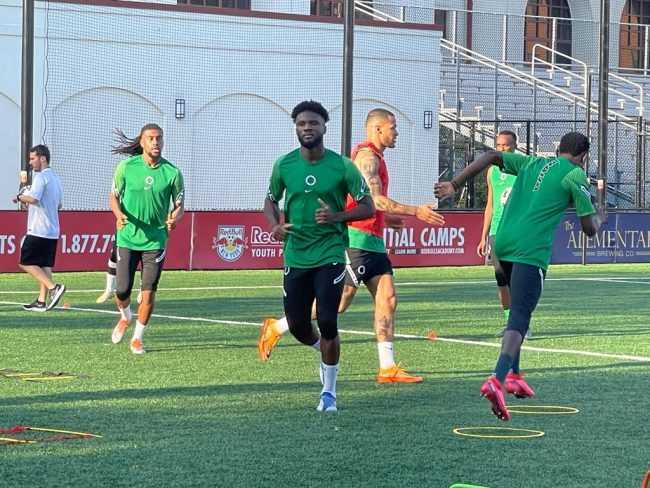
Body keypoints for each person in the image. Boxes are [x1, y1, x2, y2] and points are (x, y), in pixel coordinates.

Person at [258, 108, 445, 383]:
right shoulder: (366, 157)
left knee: (388, 299)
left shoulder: (375, 157)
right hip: (356, 240)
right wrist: (415, 210)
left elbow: (372, 204)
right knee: (339, 302)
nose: (396, 133)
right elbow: (374, 199)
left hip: (373, 241)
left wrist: (386, 218)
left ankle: (387, 367)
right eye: (393, 127)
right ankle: (278, 327)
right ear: (378, 128)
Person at [434, 132, 606, 421]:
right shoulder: (575, 174)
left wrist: (454, 184)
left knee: (515, 308)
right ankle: (498, 379)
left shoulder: (532, 162)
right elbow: (588, 228)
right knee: (520, 319)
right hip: (529, 251)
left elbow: (491, 156)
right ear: (583, 156)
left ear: (559, 149)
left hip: (502, 243)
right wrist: (600, 216)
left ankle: (514, 375)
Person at [264, 100, 375, 412]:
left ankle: (329, 393)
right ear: (296, 128)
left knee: (327, 320)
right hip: (296, 255)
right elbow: (270, 200)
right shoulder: (284, 165)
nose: (307, 128)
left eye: (313, 123)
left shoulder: (343, 166)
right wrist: (274, 225)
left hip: (330, 253)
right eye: (301, 124)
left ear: (325, 126)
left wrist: (337, 216)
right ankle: (326, 352)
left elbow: (368, 207)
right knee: (298, 325)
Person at [109, 123, 185, 354]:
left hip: (155, 241)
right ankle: (125, 317)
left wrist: (174, 218)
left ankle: (137, 338)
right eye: (150, 138)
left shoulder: (172, 173)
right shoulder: (126, 167)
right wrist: (119, 214)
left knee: (148, 291)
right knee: (122, 291)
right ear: (142, 142)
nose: (155, 142)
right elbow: (113, 197)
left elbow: (179, 205)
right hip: (127, 238)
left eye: (159, 138)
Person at [476, 130, 531, 340]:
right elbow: (490, 205)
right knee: (502, 280)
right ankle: (510, 323)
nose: (501, 149)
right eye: (498, 145)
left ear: (515, 147)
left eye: (506, 145)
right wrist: (483, 236)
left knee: (519, 280)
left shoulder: (524, 169)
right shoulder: (491, 171)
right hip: (497, 233)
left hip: (517, 231)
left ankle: (522, 324)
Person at [13, 145, 66, 312]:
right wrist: (28, 202)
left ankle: (54, 288)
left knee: (25, 263)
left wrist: (20, 197)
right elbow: (58, 205)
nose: (30, 162)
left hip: (38, 229)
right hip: (52, 230)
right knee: (43, 265)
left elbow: (33, 199)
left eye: (32, 159)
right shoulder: (56, 179)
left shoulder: (41, 177)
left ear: (42, 158)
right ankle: (41, 301)